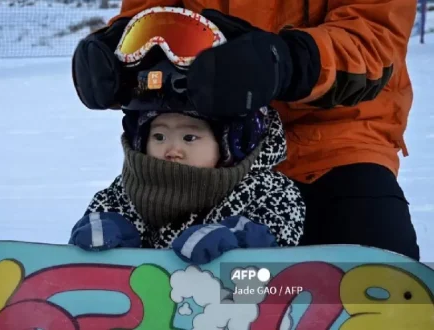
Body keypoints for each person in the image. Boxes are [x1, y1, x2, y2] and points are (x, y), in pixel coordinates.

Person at [71, 1, 420, 261]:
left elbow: (373, 36)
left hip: (334, 141)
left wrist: (289, 62)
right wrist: (117, 49)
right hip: (209, 137)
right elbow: (154, 17)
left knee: (373, 274)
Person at [69, 55, 306, 264]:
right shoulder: (128, 189)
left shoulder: (268, 191)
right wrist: (103, 227)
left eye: (189, 137)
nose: (172, 149)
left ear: (230, 145)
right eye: (159, 136)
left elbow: (279, 242)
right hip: (145, 306)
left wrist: (242, 240)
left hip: (230, 307)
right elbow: (105, 213)